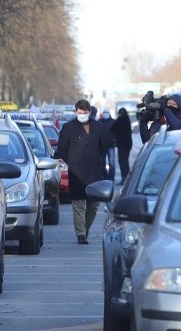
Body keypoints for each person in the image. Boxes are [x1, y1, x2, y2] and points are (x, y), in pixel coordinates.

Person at [54, 99, 106, 244]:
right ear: (76, 111)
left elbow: (104, 146)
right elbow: (61, 149)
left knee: (94, 203)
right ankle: (81, 234)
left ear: (89, 112)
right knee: (78, 204)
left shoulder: (98, 126)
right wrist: (71, 161)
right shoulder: (69, 127)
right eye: (79, 112)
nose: (82, 115)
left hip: (94, 170)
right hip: (76, 171)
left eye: (85, 112)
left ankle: (85, 227)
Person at [111, 107, 133, 184]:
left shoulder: (120, 120)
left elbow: (112, 128)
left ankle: (124, 178)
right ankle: (127, 179)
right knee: (125, 162)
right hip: (128, 144)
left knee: (122, 161)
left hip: (122, 145)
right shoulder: (127, 120)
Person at [98, 109, 116, 180]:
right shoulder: (99, 122)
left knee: (111, 162)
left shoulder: (113, 122)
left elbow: (117, 133)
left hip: (111, 145)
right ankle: (104, 175)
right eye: (104, 113)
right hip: (102, 146)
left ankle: (111, 176)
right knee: (102, 162)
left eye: (107, 113)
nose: (106, 114)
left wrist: (115, 141)